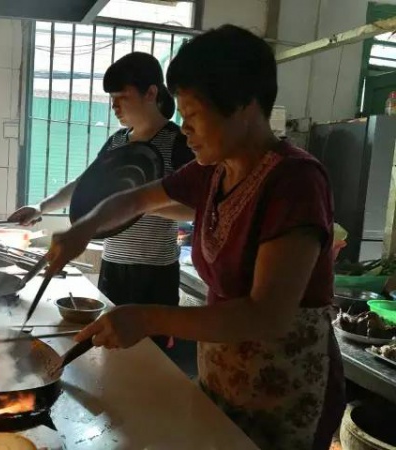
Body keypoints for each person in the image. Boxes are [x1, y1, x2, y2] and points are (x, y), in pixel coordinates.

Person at [45, 25, 345, 450]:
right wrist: (84, 228)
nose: (184, 128)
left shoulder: (295, 181)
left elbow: (267, 315)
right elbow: (136, 199)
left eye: (193, 113)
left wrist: (146, 317)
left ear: (244, 105)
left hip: (286, 393)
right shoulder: (214, 170)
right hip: (224, 378)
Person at [9, 52, 193, 317]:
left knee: (149, 354)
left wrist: (133, 206)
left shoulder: (178, 143)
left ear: (151, 93)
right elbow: (83, 184)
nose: (114, 106)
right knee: (108, 349)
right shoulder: (117, 142)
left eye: (122, 97)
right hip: (112, 266)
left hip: (154, 272)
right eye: (112, 99)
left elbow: (195, 210)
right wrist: (40, 207)